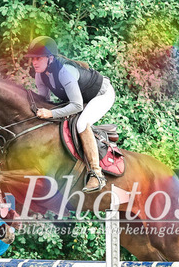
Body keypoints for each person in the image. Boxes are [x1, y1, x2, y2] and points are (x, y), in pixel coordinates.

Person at [25, 36, 115, 193]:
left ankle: (96, 174)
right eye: (32, 58)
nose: (34, 62)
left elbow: (77, 105)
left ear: (50, 58)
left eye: (38, 58)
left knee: (81, 124)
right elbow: (44, 101)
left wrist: (50, 113)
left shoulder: (65, 72)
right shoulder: (40, 75)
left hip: (101, 94)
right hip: (81, 98)